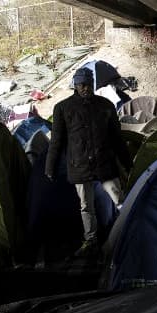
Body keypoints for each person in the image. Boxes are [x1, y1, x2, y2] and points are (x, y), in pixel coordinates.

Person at [45, 67, 132, 257]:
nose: (85, 88)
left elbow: (117, 138)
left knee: (119, 199)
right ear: (75, 86)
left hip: (104, 163)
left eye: (88, 84)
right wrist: (50, 167)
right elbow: (57, 141)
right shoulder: (62, 108)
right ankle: (91, 240)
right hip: (79, 165)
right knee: (86, 206)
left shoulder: (105, 105)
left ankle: (126, 233)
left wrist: (128, 163)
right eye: (81, 85)